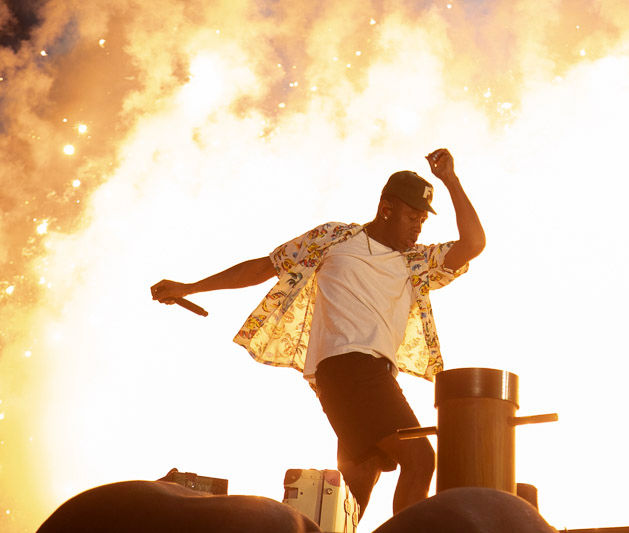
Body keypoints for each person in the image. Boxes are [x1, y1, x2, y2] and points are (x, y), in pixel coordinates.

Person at [150, 148, 485, 517]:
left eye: (422, 221)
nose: (417, 228)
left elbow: (473, 244)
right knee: (420, 458)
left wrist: (451, 180)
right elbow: (263, 267)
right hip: (349, 367)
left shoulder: (416, 261)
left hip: (367, 375)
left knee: (357, 488)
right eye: (411, 217)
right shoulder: (334, 238)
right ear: (386, 208)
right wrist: (189, 287)